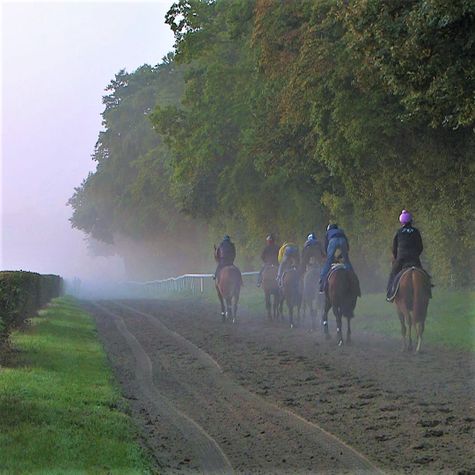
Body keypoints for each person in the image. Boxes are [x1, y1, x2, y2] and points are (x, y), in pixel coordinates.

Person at [386, 210, 423, 300]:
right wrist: (416, 255)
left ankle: (390, 293)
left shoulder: (398, 232)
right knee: (422, 272)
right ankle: (428, 286)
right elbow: (420, 246)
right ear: (411, 221)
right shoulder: (415, 231)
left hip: (401, 258)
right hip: (414, 258)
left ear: (401, 221)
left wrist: (395, 257)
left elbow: (394, 249)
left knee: (393, 274)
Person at [319, 224, 352, 292]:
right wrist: (342, 255)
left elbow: (326, 245)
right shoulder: (341, 231)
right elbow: (347, 247)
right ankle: (352, 278)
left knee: (328, 262)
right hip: (343, 241)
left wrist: (329, 256)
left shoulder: (328, 232)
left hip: (333, 241)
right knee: (347, 261)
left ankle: (322, 282)